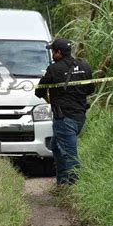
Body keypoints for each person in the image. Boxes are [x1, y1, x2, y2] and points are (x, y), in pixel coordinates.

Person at [35, 38, 95, 185]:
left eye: (53, 51)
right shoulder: (84, 65)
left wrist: (52, 98)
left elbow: (39, 91)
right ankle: (62, 182)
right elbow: (91, 89)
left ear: (59, 53)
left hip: (64, 118)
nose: (52, 54)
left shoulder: (54, 69)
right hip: (79, 117)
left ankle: (73, 187)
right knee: (56, 146)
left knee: (69, 154)